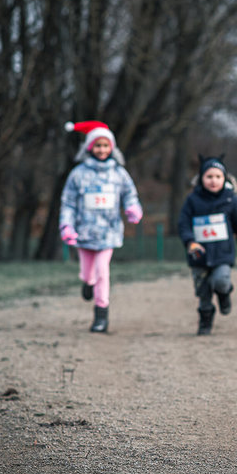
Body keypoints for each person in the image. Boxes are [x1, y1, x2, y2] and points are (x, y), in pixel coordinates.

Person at [60, 120, 143, 333]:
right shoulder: (77, 174)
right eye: (97, 145)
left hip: (109, 233)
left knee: (102, 271)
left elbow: (129, 194)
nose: (102, 150)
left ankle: (101, 315)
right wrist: (67, 226)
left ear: (112, 148)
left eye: (106, 145)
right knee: (89, 274)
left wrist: (133, 208)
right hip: (84, 233)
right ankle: (87, 283)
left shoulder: (119, 173)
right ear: (89, 147)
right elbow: (68, 202)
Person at [177, 155, 237, 335]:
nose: (213, 181)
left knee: (221, 281)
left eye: (218, 177)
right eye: (209, 177)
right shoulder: (192, 199)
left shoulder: (230, 199)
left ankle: (224, 294)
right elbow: (183, 223)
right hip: (199, 256)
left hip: (222, 254)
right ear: (201, 178)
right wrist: (190, 242)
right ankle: (205, 323)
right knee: (203, 293)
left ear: (224, 178)